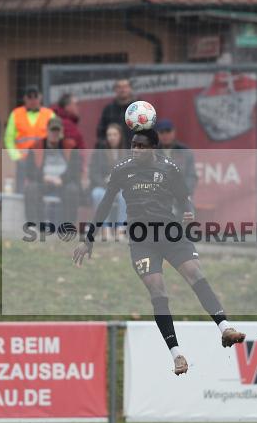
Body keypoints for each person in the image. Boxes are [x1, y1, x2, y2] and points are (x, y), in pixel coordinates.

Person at [72, 127, 245, 375]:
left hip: (170, 233)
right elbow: (105, 202)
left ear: (153, 148)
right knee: (157, 288)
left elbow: (184, 198)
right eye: (133, 144)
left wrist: (189, 212)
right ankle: (176, 354)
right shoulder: (122, 169)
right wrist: (88, 238)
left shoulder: (169, 168)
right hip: (142, 240)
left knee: (195, 273)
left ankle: (225, 328)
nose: (135, 149)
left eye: (141, 146)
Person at [23, 116, 82, 224]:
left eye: (57, 131)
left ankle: (68, 225)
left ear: (61, 132)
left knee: (72, 190)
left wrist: (62, 179)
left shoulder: (70, 146)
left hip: (63, 182)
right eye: (52, 130)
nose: (54, 134)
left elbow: (75, 169)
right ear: (47, 130)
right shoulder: (37, 146)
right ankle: (33, 224)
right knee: (31, 188)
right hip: (43, 181)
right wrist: (43, 177)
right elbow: (29, 170)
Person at [4, 85, 54, 191]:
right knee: (21, 189)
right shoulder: (16, 114)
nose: (33, 100)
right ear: (25, 98)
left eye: (35, 96)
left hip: (43, 159)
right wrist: (16, 156)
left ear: (40, 97)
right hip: (23, 160)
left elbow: (57, 136)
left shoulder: (49, 114)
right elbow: (9, 139)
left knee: (45, 186)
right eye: (29, 97)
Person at [89, 122, 128, 229]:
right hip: (103, 186)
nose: (112, 137)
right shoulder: (99, 152)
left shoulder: (127, 153)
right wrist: (105, 182)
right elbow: (93, 172)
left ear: (120, 136)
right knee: (97, 194)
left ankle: (121, 228)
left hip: (122, 188)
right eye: (109, 135)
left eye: (115, 134)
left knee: (124, 196)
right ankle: (105, 228)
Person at [156, 119, 198, 215]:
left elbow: (191, 176)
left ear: (173, 132)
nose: (165, 135)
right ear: (157, 134)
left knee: (189, 212)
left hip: (181, 195)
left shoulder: (185, 152)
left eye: (168, 131)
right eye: (162, 132)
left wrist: (184, 192)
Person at [96, 79, 135, 146]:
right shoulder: (108, 110)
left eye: (125, 86)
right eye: (119, 87)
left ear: (130, 88)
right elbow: (101, 133)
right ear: (115, 90)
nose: (122, 90)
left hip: (135, 151)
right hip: (115, 153)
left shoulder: (139, 108)